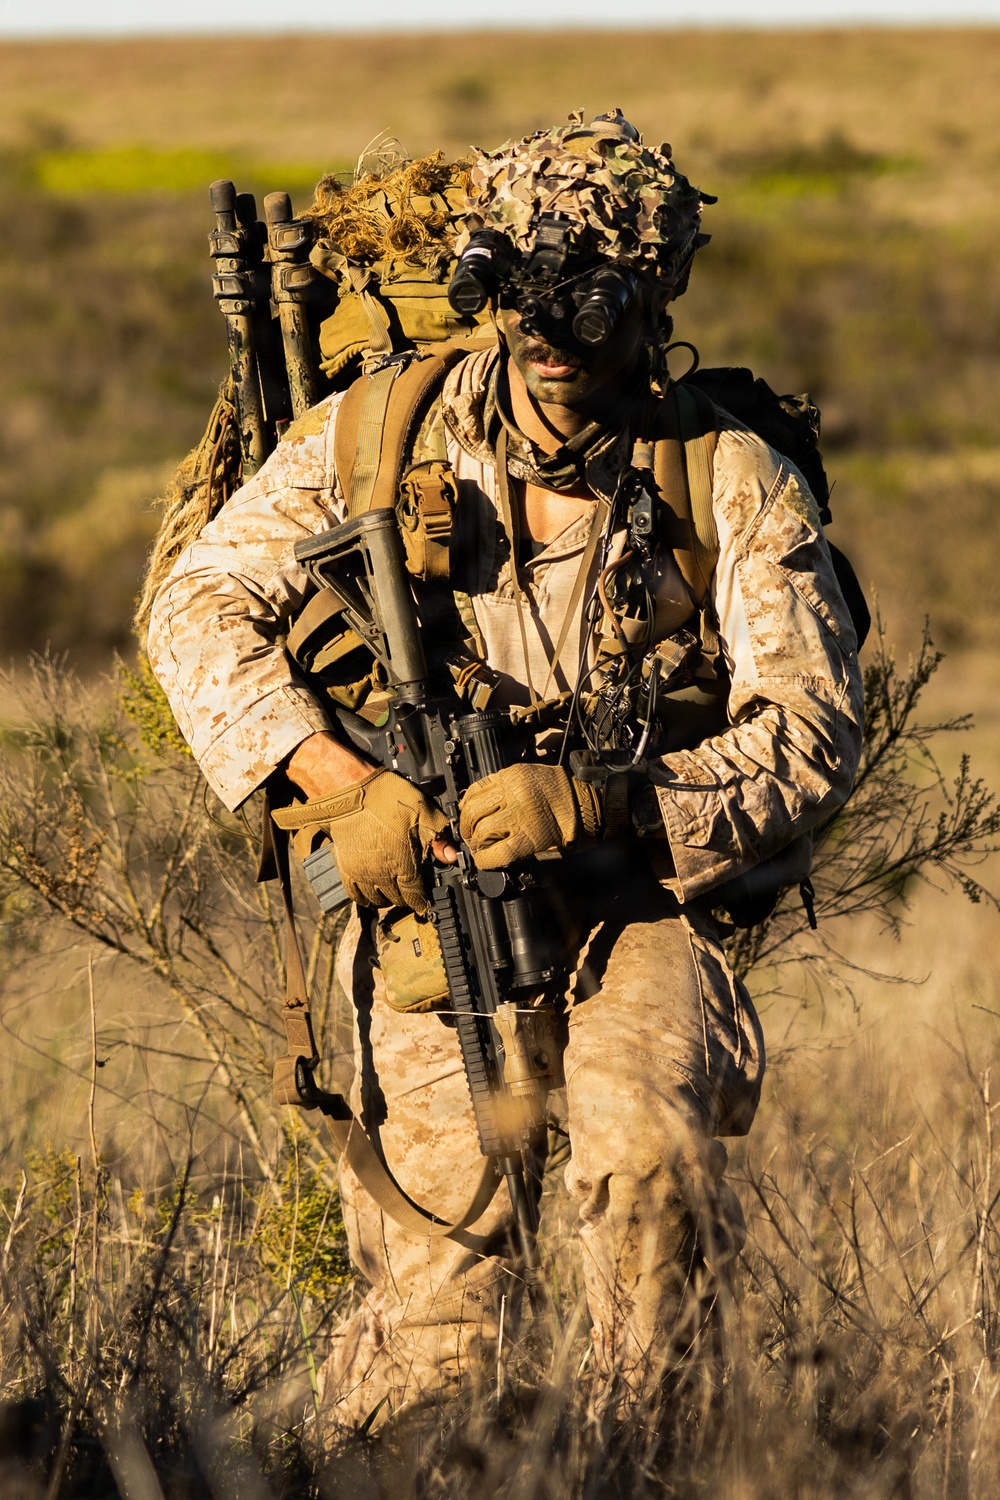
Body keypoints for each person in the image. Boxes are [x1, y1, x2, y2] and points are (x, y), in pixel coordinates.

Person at [146, 111, 864, 1426]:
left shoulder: (726, 476)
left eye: (581, 303)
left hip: (638, 886)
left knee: (642, 1173)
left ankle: (638, 1458)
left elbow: (812, 730)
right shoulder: (382, 438)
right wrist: (337, 782)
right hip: (435, 895)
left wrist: (610, 803)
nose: (542, 337)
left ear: (649, 302)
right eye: (513, 293)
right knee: (437, 1299)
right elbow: (195, 604)